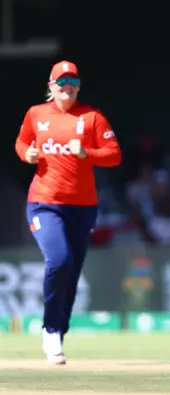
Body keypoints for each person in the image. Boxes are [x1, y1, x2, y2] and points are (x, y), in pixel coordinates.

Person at [14, 61, 122, 364]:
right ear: (51, 87)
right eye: (61, 82)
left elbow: (114, 155)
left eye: (72, 81)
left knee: (72, 273)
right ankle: (49, 328)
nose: (67, 87)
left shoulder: (92, 117)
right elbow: (22, 142)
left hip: (83, 206)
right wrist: (27, 154)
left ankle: (59, 330)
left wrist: (89, 153)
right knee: (59, 261)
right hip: (44, 202)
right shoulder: (37, 114)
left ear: (79, 85)